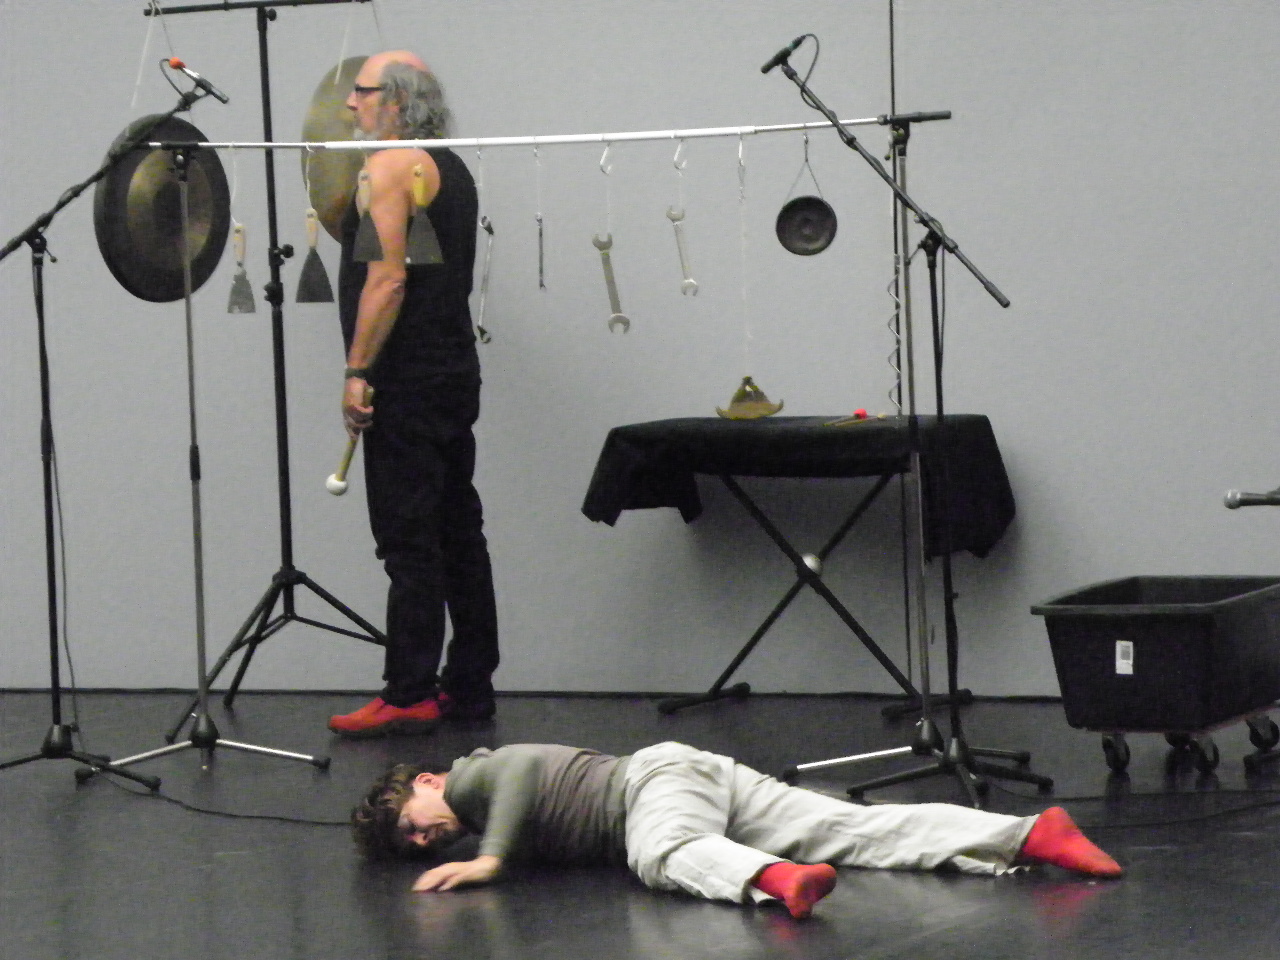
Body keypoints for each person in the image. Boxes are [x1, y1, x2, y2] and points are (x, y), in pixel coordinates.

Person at [351, 741, 1123, 920]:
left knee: (659, 853)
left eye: (410, 825)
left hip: (650, 787)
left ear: (426, 783)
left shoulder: (472, 779)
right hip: (693, 776)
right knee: (848, 827)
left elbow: (520, 769)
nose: (423, 841)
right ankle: (1030, 836)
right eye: (409, 847)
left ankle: (771, 878)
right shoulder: (480, 809)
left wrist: (490, 859)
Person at [328, 50, 499, 737]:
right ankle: (470, 687)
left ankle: (408, 694)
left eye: (363, 91)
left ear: (396, 100)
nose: (351, 104)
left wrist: (357, 370)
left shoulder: (393, 165)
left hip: (408, 379)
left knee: (408, 538)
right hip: (453, 371)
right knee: (458, 531)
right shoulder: (449, 165)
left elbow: (389, 278)